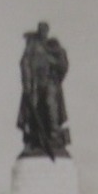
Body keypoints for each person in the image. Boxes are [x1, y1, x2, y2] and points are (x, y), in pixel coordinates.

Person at [17, 21, 70, 159]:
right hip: (35, 84)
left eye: (45, 30)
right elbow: (25, 64)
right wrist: (27, 83)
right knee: (32, 111)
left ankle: (53, 137)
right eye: (41, 30)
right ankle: (33, 139)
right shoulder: (32, 46)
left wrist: (56, 68)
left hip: (50, 82)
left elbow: (63, 65)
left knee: (50, 106)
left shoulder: (53, 46)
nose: (43, 32)